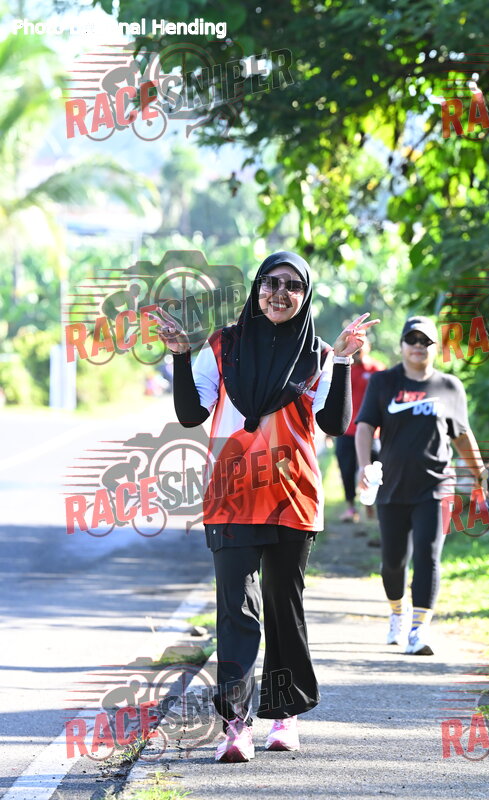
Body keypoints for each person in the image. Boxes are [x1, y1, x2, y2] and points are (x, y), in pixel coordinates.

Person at [150, 252, 379, 762]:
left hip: (292, 498)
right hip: (230, 495)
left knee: (282, 608)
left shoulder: (318, 354)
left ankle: (283, 716)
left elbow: (335, 423)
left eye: (292, 285)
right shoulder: (222, 346)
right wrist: (181, 356)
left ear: (305, 296)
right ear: (257, 289)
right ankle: (235, 725)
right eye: (271, 282)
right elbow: (190, 413)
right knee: (236, 611)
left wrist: (343, 361)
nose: (280, 293)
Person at [355, 316, 487, 656]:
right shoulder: (384, 382)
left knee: (428, 556)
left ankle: (419, 629)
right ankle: (397, 614)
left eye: (425, 341)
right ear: (402, 345)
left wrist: (480, 475)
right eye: (412, 339)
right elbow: (365, 426)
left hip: (437, 487)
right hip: (392, 487)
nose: (418, 346)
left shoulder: (450, 387)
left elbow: (462, 435)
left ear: (435, 347)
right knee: (393, 562)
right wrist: (364, 466)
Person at [335, 338, 384, 523]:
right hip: (346, 431)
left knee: (374, 469)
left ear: (368, 348)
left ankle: (371, 504)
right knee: (346, 470)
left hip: (372, 433)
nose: (357, 352)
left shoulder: (377, 370)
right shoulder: (344, 370)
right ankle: (351, 508)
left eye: (360, 348)